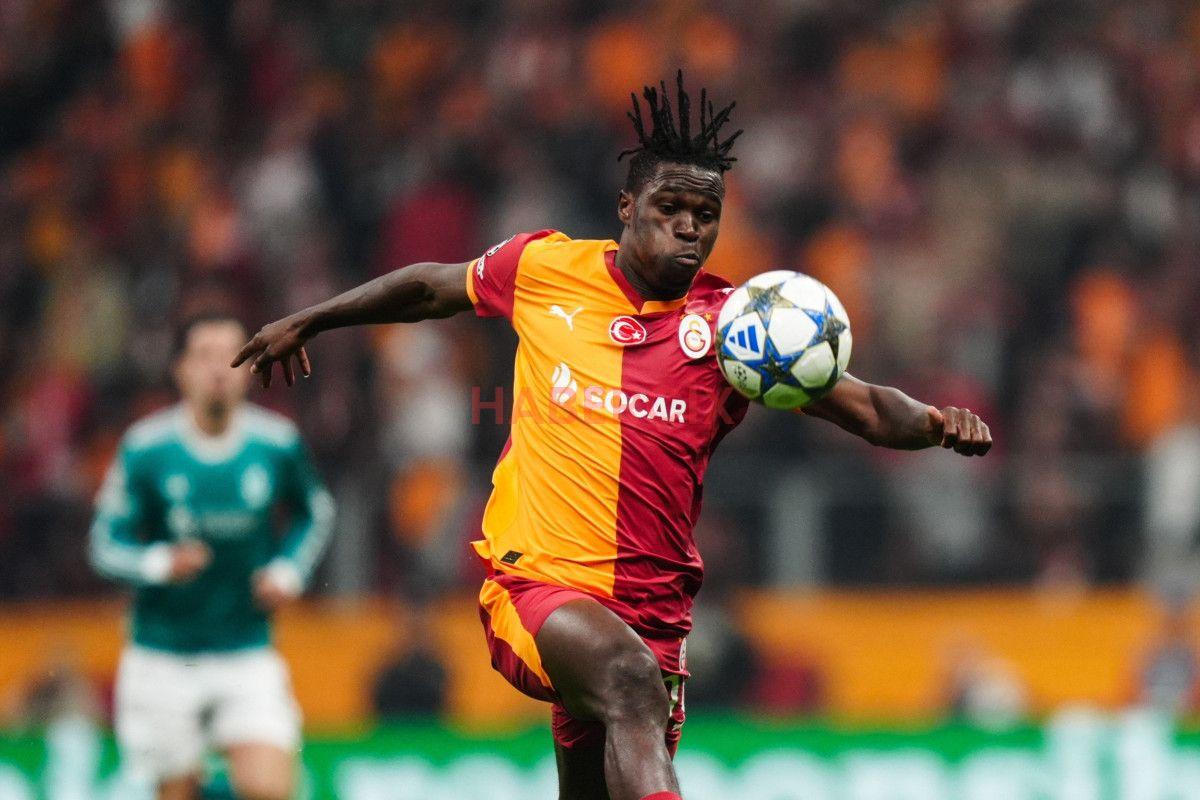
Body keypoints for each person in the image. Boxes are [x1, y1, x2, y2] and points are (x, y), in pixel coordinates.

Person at [234, 73, 991, 800]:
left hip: (653, 620)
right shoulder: (544, 268)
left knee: (624, 712)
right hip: (536, 589)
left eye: (706, 214)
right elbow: (433, 285)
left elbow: (864, 407)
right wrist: (312, 318)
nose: (689, 227)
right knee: (627, 681)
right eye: (671, 207)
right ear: (628, 206)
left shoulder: (737, 331)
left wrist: (934, 424)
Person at [90, 312, 335, 800]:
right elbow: (104, 543)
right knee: (176, 791)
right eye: (204, 356)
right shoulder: (146, 448)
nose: (219, 369)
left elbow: (317, 512)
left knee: (269, 787)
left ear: (251, 369)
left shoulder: (276, 443)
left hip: (246, 649)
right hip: (163, 655)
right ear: (180, 370)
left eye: (232, 355)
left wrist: (289, 569)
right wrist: (159, 564)